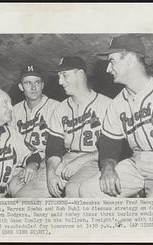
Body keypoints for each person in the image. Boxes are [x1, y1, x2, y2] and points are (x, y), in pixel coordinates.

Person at [79, 34, 153, 198]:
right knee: (88, 190)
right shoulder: (116, 105)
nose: (108, 69)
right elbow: (108, 145)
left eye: (112, 61)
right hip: (136, 163)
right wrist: (108, 168)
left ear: (129, 59)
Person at [46, 56, 112, 197]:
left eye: (64, 75)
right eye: (59, 76)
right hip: (67, 159)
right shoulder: (60, 108)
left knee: (73, 190)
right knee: (26, 193)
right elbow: (54, 149)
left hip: (95, 160)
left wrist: (83, 159)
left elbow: (118, 147)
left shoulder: (108, 105)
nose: (60, 82)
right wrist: (51, 174)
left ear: (80, 74)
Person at [8, 64, 59, 197]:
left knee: (22, 195)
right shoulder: (14, 111)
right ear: (21, 87)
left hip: (49, 160)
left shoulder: (56, 107)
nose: (33, 87)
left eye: (37, 82)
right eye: (28, 83)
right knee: (12, 187)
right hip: (25, 161)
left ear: (42, 85)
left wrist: (37, 164)